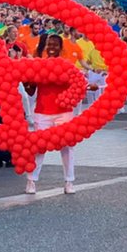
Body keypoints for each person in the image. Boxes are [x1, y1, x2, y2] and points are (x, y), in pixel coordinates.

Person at [24, 35, 77, 195]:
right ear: (45, 46)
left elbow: (77, 85)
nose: (52, 47)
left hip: (64, 112)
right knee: (39, 147)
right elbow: (31, 90)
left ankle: (69, 181)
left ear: (60, 48)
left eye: (55, 45)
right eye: (49, 44)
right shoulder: (39, 65)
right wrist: (25, 80)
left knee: (67, 147)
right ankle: (31, 181)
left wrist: (89, 86)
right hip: (43, 111)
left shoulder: (67, 65)